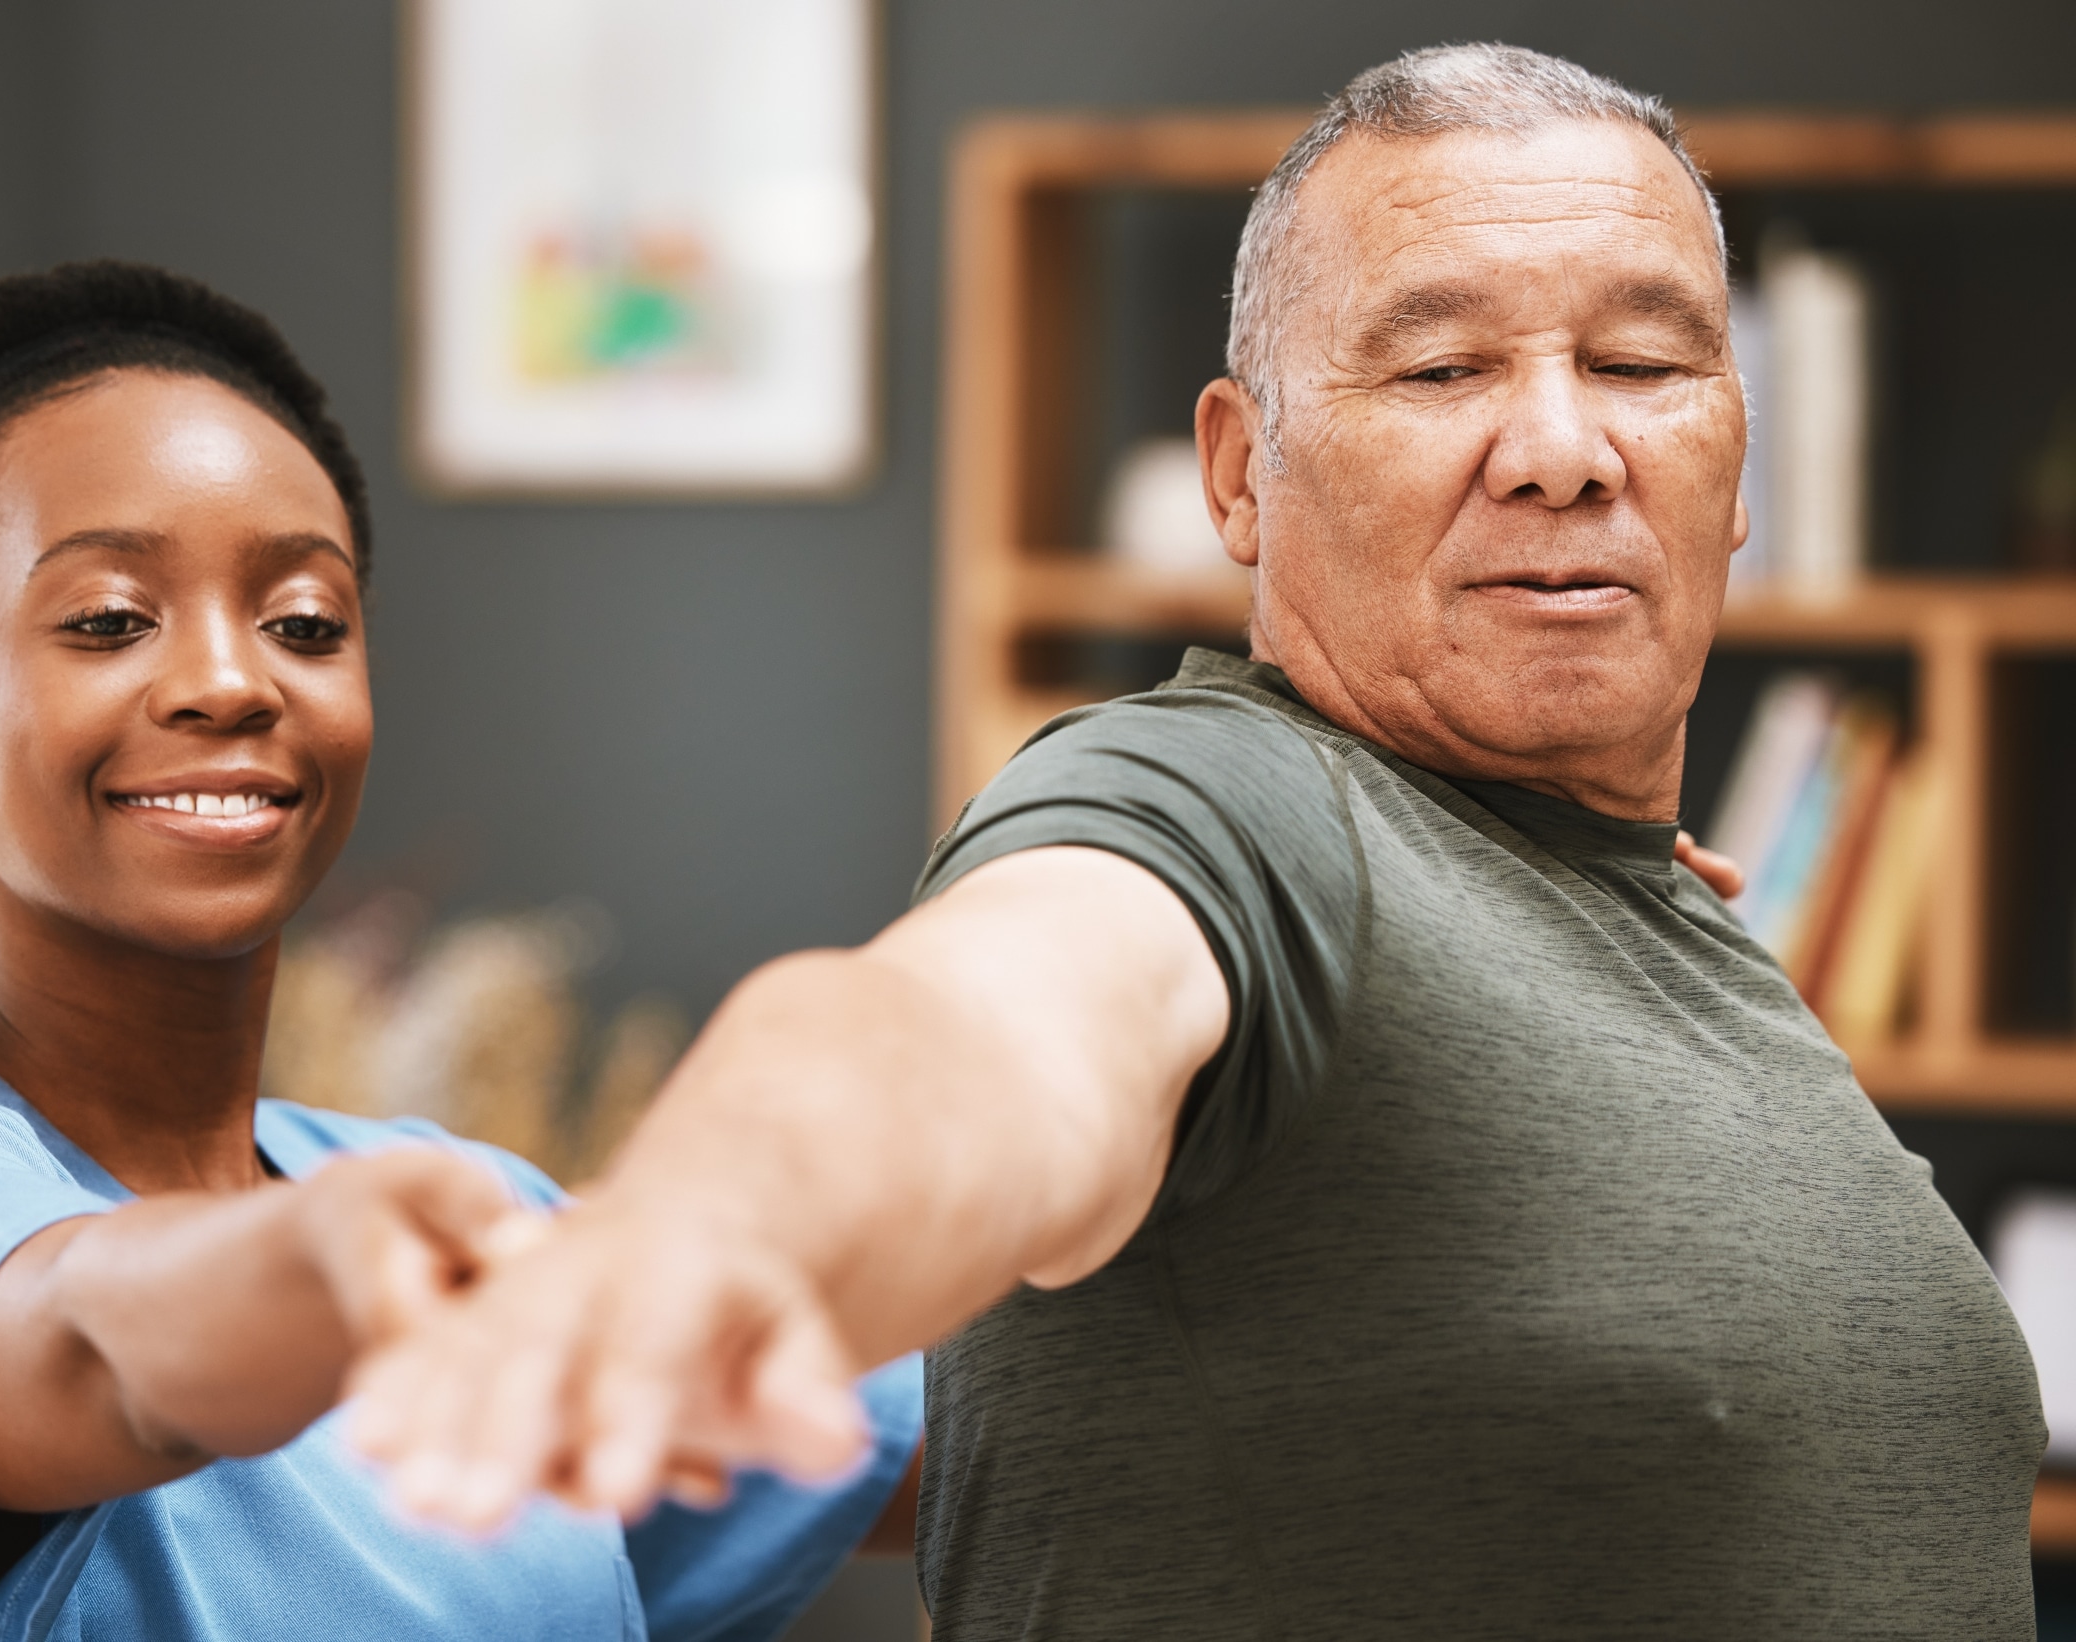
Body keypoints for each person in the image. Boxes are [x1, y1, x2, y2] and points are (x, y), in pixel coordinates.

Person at [345, 45, 2047, 1639]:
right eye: (1444, 365)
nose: (1558, 448)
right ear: (1240, 474)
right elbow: (981, 1027)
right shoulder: (1232, 811)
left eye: (1641, 362)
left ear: (1734, 463)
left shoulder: (1657, 915)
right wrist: (725, 1221)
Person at [0, 261, 921, 1642]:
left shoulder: (453, 1198)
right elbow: (96, 1345)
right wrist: (328, 1267)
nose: (233, 678)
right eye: (109, 618)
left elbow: (962, 1431)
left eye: (304, 623)